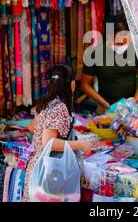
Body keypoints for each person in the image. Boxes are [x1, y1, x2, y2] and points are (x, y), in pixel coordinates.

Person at [23, 64, 92, 202]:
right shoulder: (59, 107)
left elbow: (33, 127)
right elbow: (48, 142)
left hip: (37, 168)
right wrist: (80, 144)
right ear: (72, 85)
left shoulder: (45, 102)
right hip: (47, 171)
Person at [81, 16, 138, 114]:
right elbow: (85, 84)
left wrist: (133, 102)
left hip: (131, 108)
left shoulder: (134, 52)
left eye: (126, 42)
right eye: (120, 43)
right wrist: (103, 103)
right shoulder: (95, 53)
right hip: (105, 108)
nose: (123, 45)